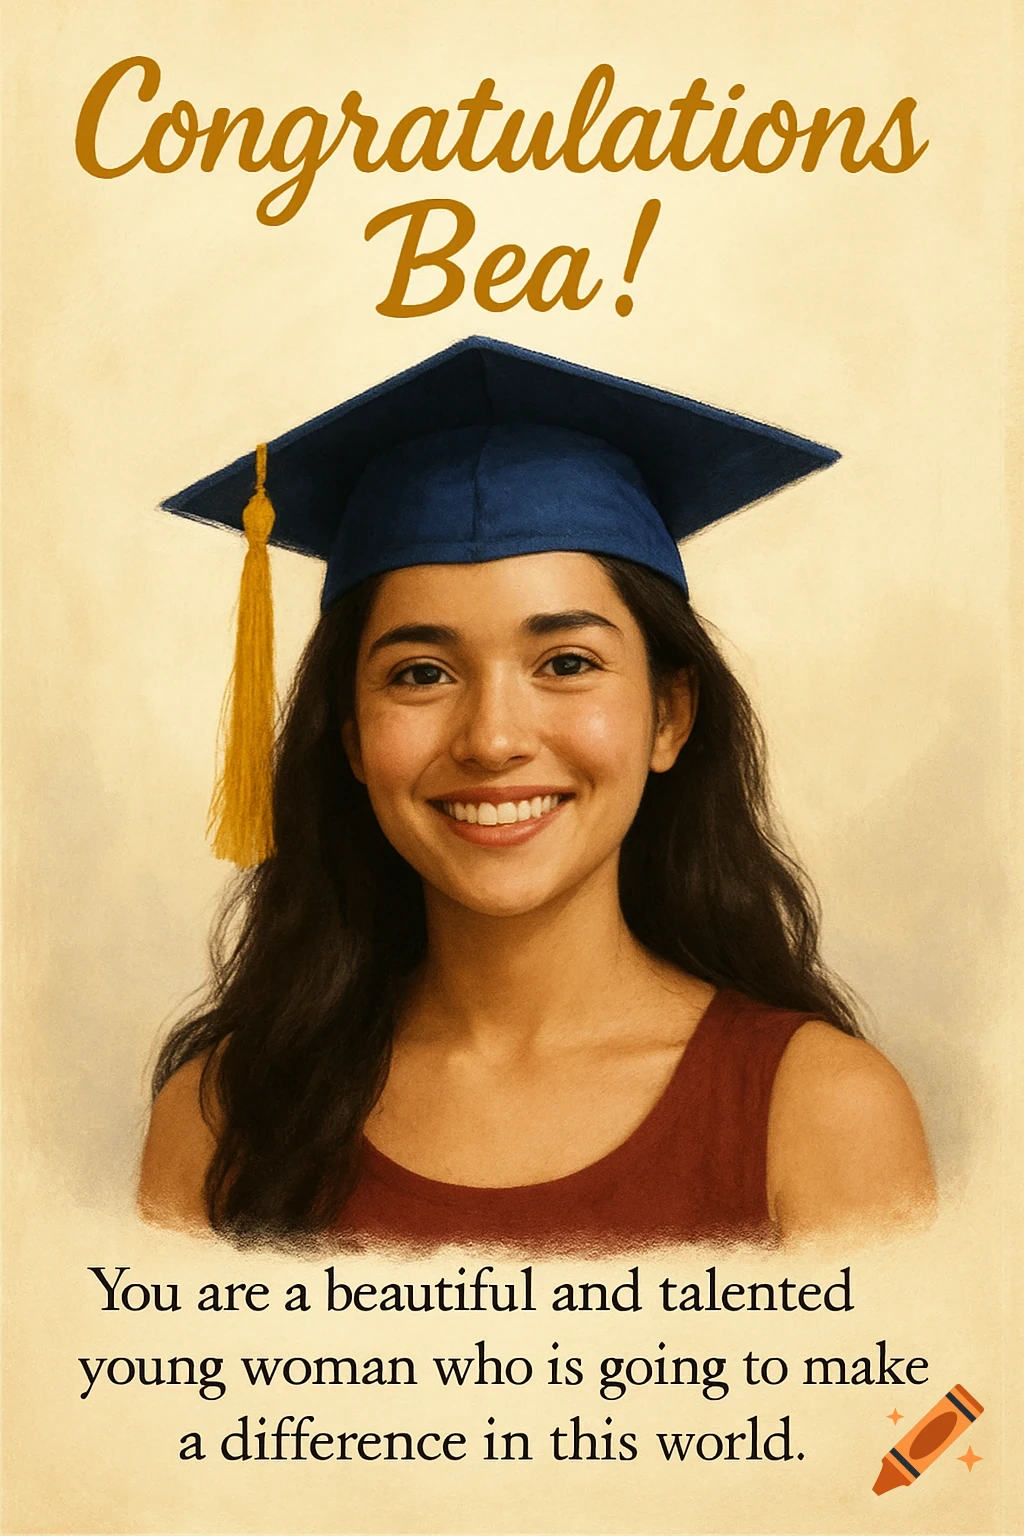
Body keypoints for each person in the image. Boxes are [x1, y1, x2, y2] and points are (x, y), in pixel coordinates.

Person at [139, 336, 935, 1250]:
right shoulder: (222, 1119)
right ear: (352, 738)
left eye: (566, 663)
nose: (493, 739)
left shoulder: (821, 1112)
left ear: (670, 716)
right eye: (422, 673)